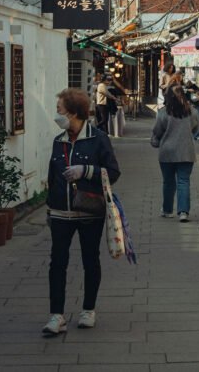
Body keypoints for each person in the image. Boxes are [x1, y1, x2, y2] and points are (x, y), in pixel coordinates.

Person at [44, 88, 121, 337]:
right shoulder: (59, 141)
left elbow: (113, 172)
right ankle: (56, 315)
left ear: (74, 113)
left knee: (90, 259)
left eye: (60, 110)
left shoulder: (98, 138)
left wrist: (86, 171)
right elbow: (52, 176)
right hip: (61, 212)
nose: (57, 114)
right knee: (57, 262)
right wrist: (50, 206)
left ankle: (88, 309)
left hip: (90, 210)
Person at [151, 85, 199, 222]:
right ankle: (183, 211)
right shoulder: (192, 112)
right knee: (183, 181)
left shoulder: (163, 112)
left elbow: (157, 131)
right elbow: (196, 129)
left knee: (168, 182)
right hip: (186, 151)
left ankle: (167, 210)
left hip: (167, 152)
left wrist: (156, 141)